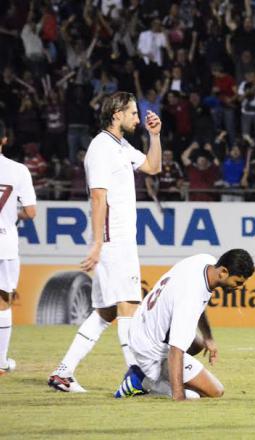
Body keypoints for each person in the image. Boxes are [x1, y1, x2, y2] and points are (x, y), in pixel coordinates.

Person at [49, 92, 163, 393]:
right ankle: (137, 378)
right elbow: (98, 198)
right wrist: (98, 244)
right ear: (117, 114)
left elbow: (153, 167)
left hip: (118, 239)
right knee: (129, 305)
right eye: (133, 113)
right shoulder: (101, 148)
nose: (138, 118)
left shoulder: (121, 146)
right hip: (114, 240)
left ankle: (63, 373)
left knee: (106, 312)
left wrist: (155, 136)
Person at [114, 249, 254, 400]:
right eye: (238, 282)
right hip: (150, 349)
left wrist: (208, 338)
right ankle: (142, 381)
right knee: (214, 391)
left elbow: (200, 302)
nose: (239, 287)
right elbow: (176, 351)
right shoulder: (190, 298)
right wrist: (179, 397)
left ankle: (152, 374)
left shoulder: (204, 261)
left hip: (142, 324)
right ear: (223, 272)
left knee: (198, 344)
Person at [0, 121, 37, 376]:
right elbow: (31, 212)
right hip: (5, 242)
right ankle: (1, 361)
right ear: (5, 139)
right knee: (3, 302)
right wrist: (13, 213)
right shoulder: (18, 170)